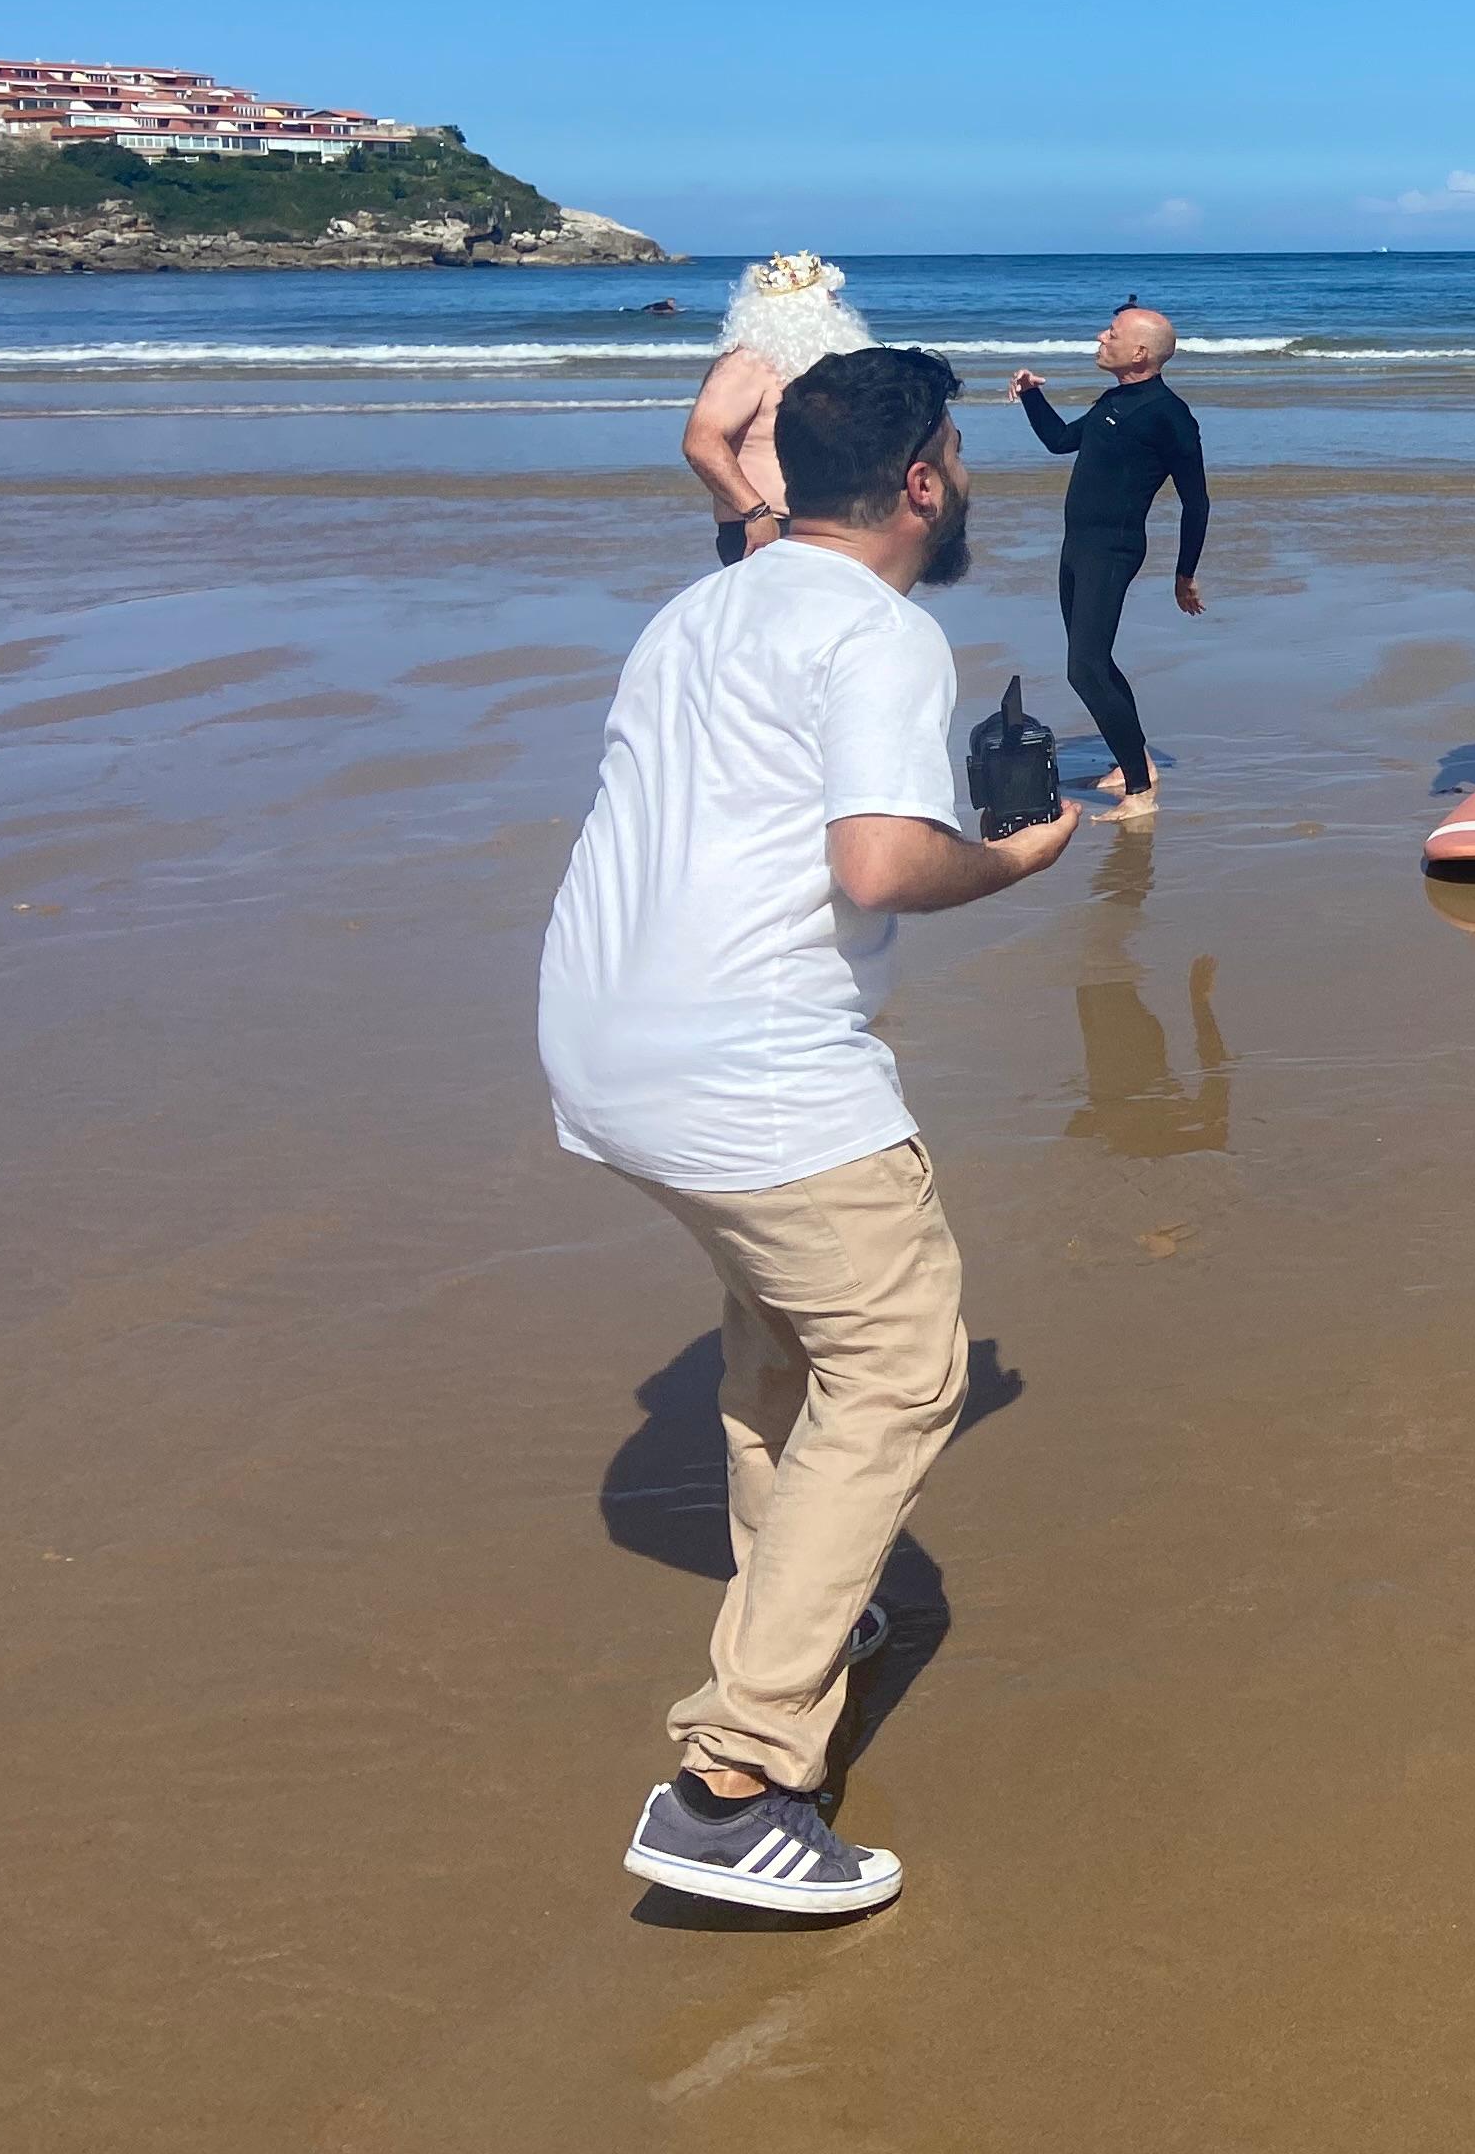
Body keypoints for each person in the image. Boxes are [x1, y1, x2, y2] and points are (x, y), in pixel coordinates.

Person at [541, 345, 1079, 1917]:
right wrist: (1022, 859)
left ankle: (810, 1612)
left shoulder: (711, 603)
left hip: (603, 1042)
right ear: (919, 481)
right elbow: (878, 867)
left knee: (783, 1342)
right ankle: (735, 1778)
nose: (966, 480)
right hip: (749, 1062)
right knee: (905, 1365)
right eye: (960, 457)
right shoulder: (879, 631)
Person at [1008, 304, 1210, 820]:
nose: (1102, 336)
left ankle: (1140, 794)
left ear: (1140, 352)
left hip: (1113, 550)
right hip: (1077, 546)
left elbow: (1196, 501)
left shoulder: (1169, 415)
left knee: (1085, 667)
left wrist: (1184, 573)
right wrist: (1032, 394)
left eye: (1112, 333)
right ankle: (1134, 760)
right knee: (1093, 662)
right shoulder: (1114, 400)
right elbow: (1059, 442)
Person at [681, 251, 870, 565]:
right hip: (767, 529)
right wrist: (756, 513)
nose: (837, 307)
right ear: (800, 311)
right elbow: (700, 442)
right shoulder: (746, 365)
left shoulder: (809, 370)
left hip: (825, 528)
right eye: (828, 298)